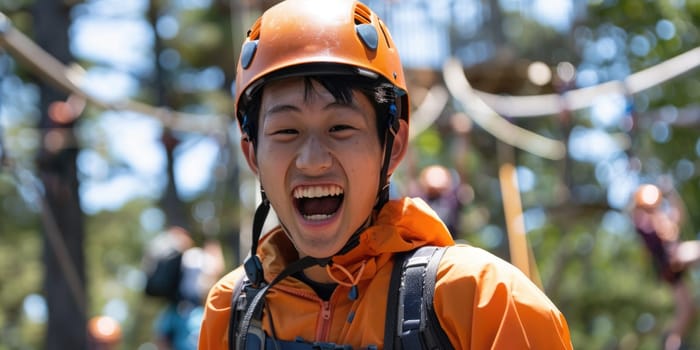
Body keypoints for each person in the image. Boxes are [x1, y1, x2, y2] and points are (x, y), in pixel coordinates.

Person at [198, 0, 573, 348]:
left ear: (393, 145)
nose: (312, 160)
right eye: (286, 131)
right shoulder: (231, 313)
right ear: (252, 154)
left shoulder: (482, 300)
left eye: (340, 128)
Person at [631, 183, 700, 350]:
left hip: (674, 267)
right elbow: (656, 229)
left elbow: (678, 215)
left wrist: (672, 193)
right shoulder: (643, 221)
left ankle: (671, 343)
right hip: (671, 262)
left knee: (687, 311)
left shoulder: (660, 218)